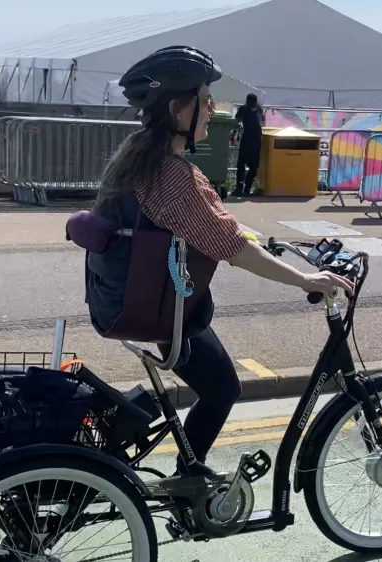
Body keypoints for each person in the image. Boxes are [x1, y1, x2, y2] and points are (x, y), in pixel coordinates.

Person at [83, 46, 352, 477]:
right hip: (157, 311)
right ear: (178, 109)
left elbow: (205, 222)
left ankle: (183, 468)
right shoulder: (172, 176)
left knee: (212, 382)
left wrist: (247, 235)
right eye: (206, 101)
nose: (213, 109)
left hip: (119, 298)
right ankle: (188, 477)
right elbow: (233, 249)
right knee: (223, 389)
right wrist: (306, 279)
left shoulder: (135, 157)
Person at [233, 93, 265, 196]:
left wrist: (234, 134)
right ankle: (247, 189)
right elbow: (263, 122)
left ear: (247, 100)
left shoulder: (243, 108)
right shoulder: (259, 109)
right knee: (253, 166)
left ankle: (239, 188)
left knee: (241, 164)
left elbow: (236, 122)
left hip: (247, 138)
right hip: (257, 139)